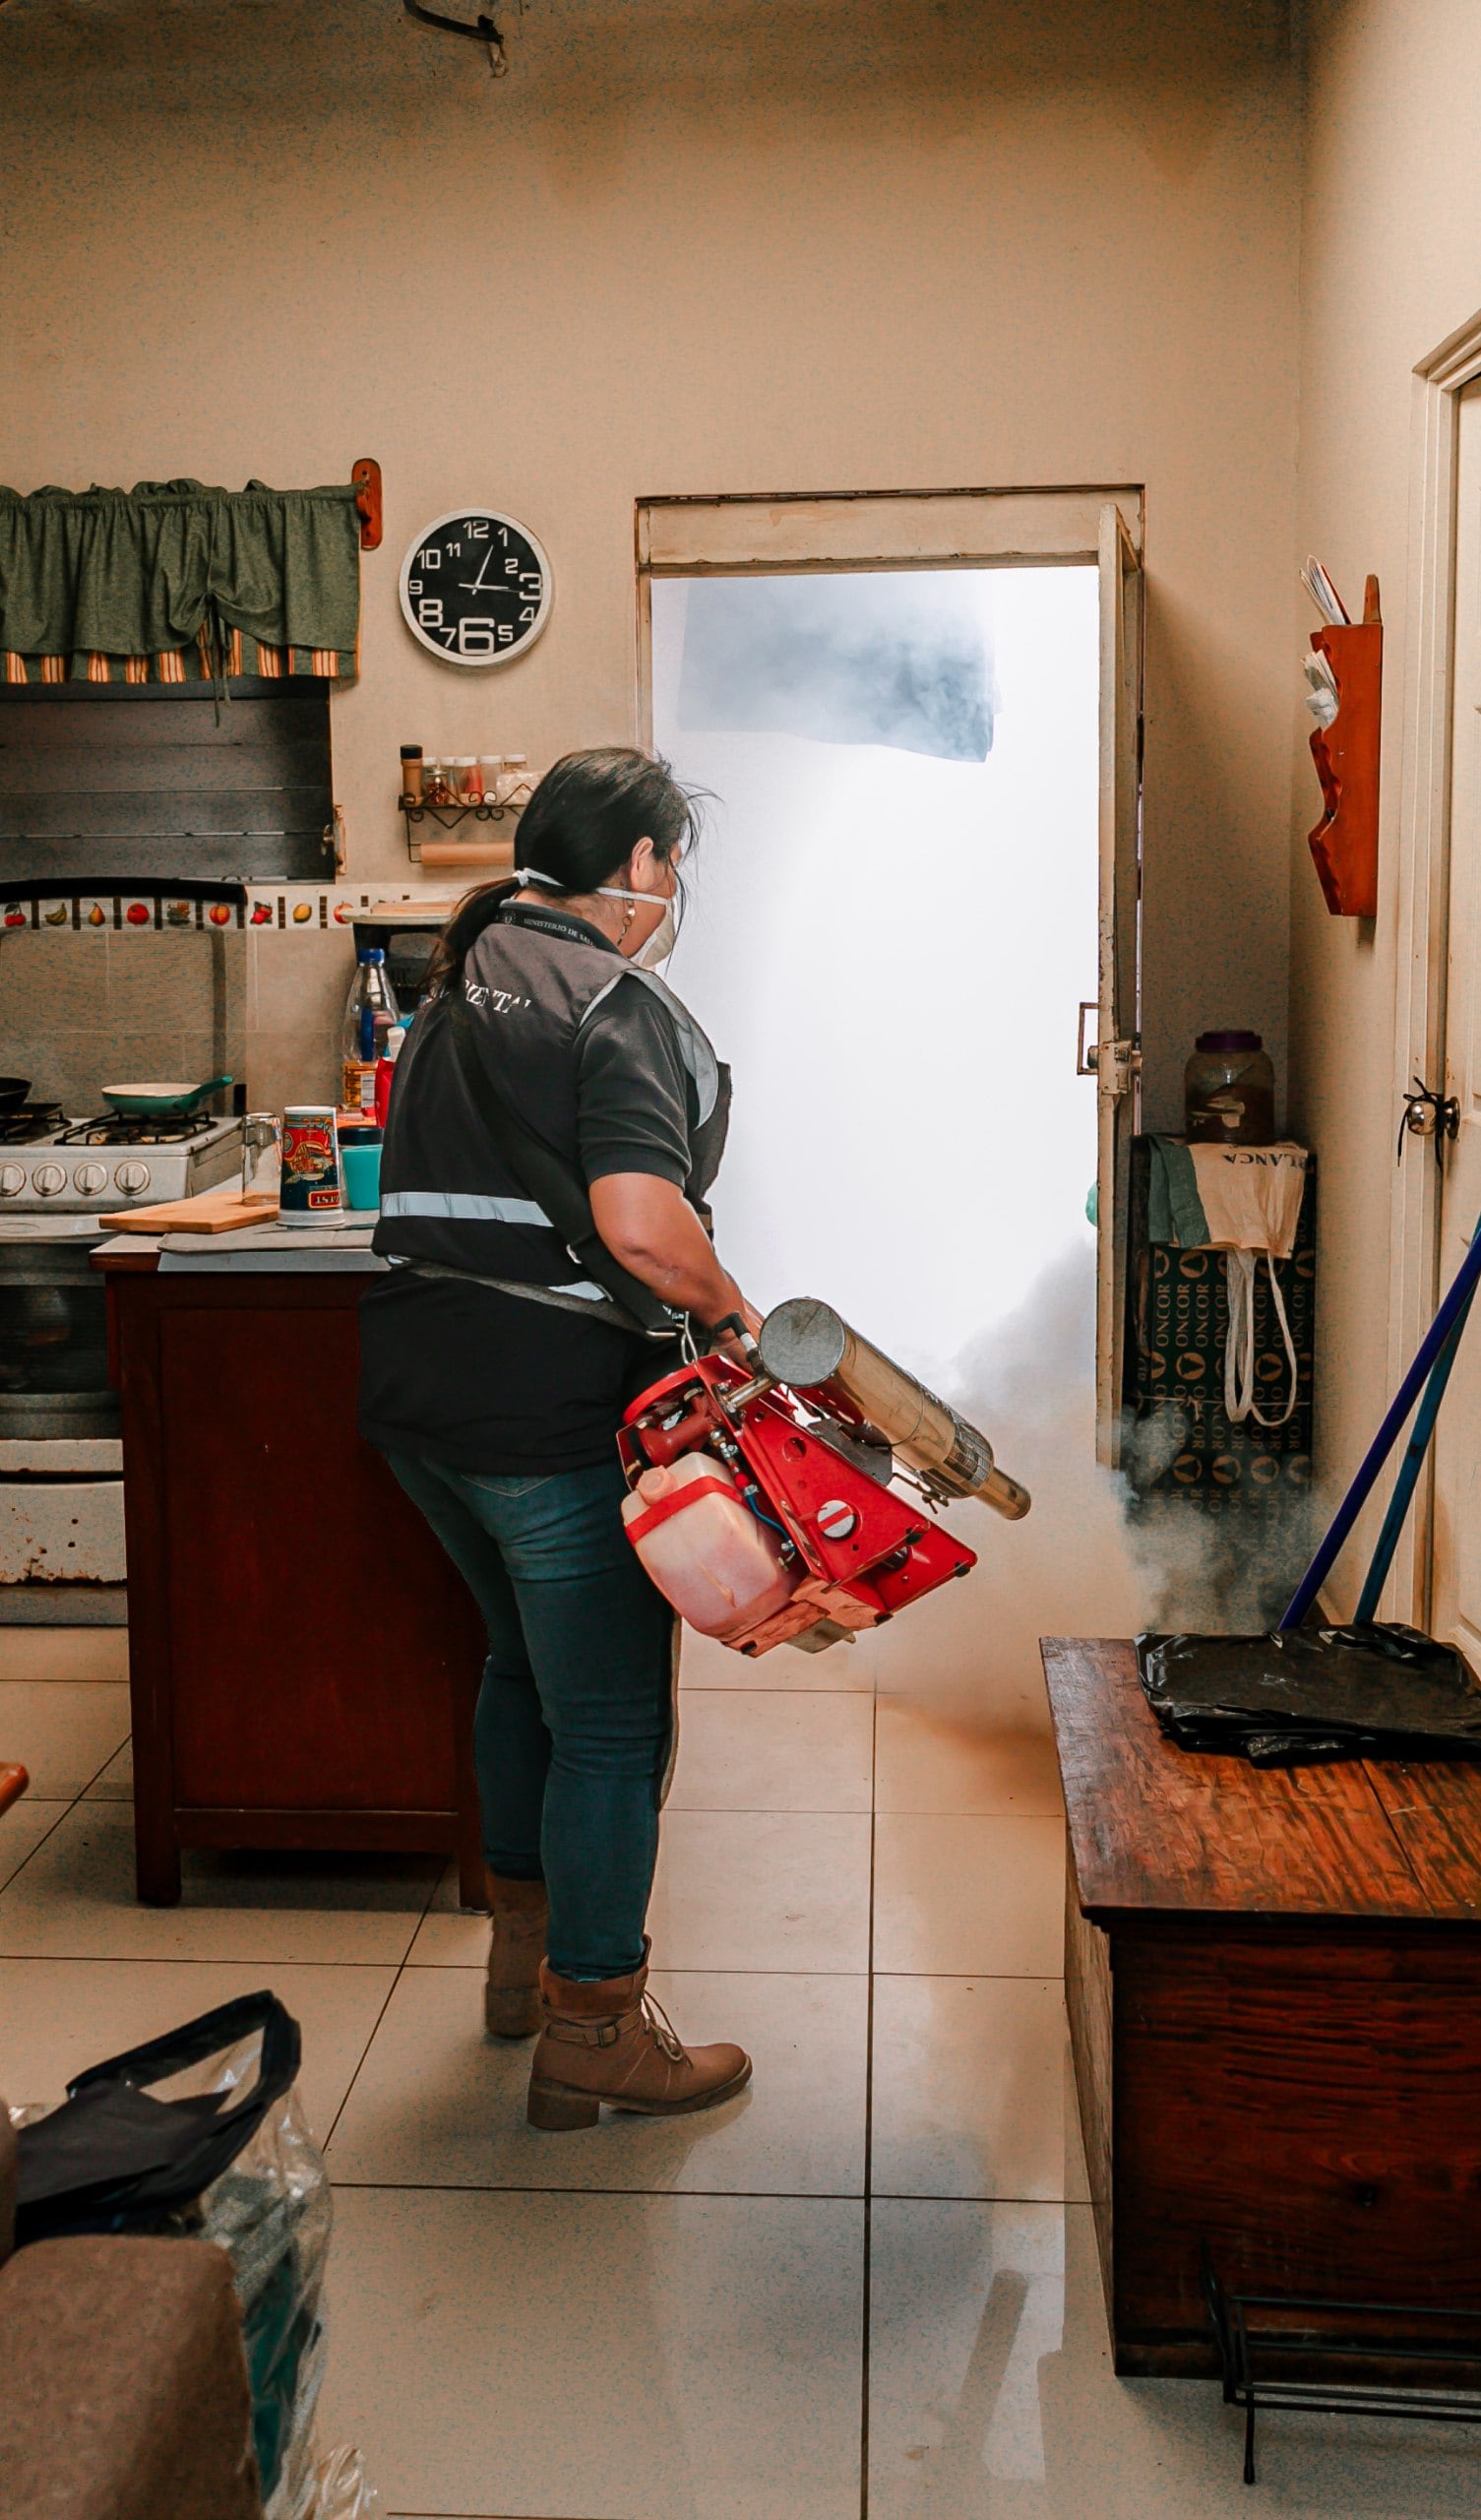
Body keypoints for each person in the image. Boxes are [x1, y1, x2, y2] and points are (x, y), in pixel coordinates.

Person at [359, 747, 754, 2133]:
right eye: (671, 867)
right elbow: (642, 1228)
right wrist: (736, 1316)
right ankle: (594, 2027)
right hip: (545, 1414)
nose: (670, 894)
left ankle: (517, 1969)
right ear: (640, 864)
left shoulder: (459, 976)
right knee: (612, 1721)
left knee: (518, 1669)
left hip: (421, 1408)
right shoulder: (614, 1004)